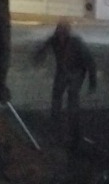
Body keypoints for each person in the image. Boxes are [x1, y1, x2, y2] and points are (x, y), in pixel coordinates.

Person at [33, 19, 97, 150]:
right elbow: (44, 48)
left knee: (72, 98)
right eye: (59, 34)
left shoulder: (76, 43)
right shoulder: (54, 40)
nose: (61, 38)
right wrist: (38, 57)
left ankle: (74, 130)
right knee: (56, 96)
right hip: (62, 71)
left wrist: (92, 81)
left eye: (63, 34)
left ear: (67, 34)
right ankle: (55, 126)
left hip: (77, 71)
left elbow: (89, 62)